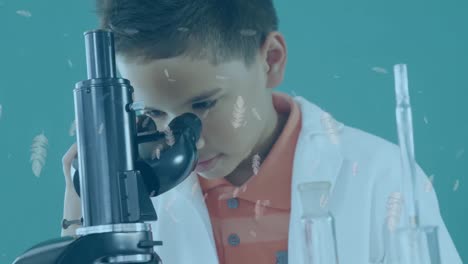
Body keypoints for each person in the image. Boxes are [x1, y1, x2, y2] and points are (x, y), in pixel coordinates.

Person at [61, 0, 462, 263]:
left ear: (270, 60)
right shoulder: (136, 199)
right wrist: (83, 225)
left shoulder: (381, 176)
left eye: (202, 104)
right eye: (153, 113)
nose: (185, 141)